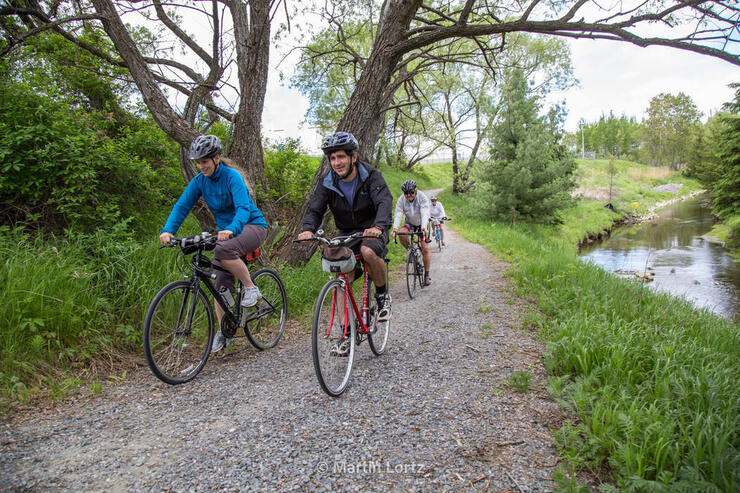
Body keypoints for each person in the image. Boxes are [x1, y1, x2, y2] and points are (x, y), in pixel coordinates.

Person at [159, 134, 268, 353]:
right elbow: (182, 206)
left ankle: (250, 287)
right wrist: (168, 230)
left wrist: (232, 229)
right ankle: (225, 331)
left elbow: (243, 209)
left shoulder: (232, 177)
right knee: (219, 284)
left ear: (216, 158)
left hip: (252, 226)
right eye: (198, 162)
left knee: (223, 248)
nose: (201, 166)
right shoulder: (199, 181)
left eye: (205, 161)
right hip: (225, 234)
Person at [298, 132, 393, 356]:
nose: (336, 163)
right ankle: (346, 334)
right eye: (332, 159)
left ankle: (382, 296)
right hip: (347, 231)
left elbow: (384, 201)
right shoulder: (328, 181)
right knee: (342, 276)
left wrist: (378, 226)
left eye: (340, 157)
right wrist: (307, 229)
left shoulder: (371, 175)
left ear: (353, 157)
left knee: (368, 251)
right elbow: (315, 208)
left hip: (372, 228)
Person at [391, 179, 432, 286]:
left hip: (422, 223)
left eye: (411, 192)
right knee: (401, 234)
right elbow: (399, 214)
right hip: (410, 222)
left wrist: (423, 228)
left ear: (416, 191)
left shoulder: (422, 197)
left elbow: (424, 213)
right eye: (406, 193)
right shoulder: (401, 200)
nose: (409, 195)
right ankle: (411, 253)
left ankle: (426, 275)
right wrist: (395, 228)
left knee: (425, 248)